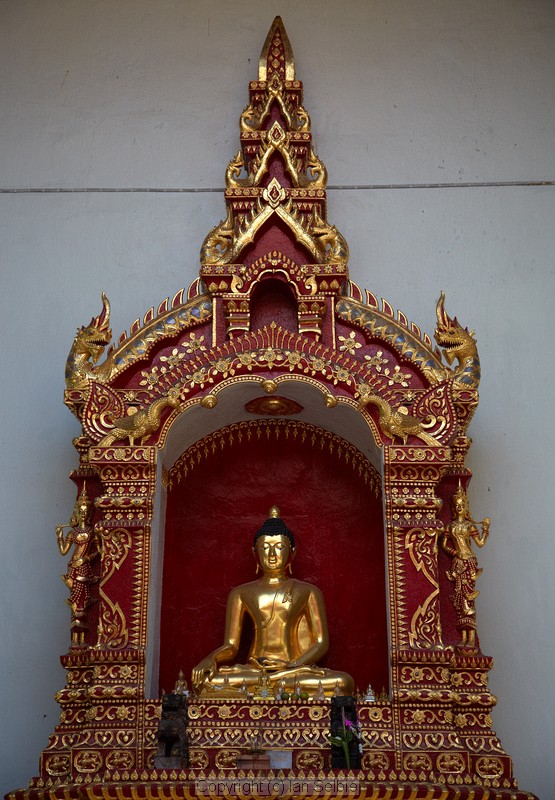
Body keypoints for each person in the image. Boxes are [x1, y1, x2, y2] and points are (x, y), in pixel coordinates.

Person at [192, 507, 354, 696]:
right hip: (255, 670)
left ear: (292, 552)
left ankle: (273, 684)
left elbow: (320, 643)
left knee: (343, 682)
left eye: (279, 547)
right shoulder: (241, 593)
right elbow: (231, 645)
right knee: (205, 682)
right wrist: (211, 658)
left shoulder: (308, 591)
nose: (271, 554)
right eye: (265, 547)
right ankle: (271, 685)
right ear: (255, 553)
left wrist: (291, 665)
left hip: (293, 670)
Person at [441, 482, 490, 649]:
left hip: (469, 563)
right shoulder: (450, 526)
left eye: (462, 505)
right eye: (457, 505)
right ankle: (463, 636)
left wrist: (486, 530)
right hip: (458, 562)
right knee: (460, 598)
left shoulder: (470, 526)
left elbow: (480, 543)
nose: (459, 507)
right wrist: (455, 552)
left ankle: (471, 637)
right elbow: (444, 545)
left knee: (469, 598)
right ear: (454, 508)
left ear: (466, 507)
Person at [56, 485, 98, 646]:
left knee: (82, 601)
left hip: (83, 568)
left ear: (90, 513)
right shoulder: (72, 532)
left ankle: (82, 639)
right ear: (77, 512)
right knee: (74, 601)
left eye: (86, 511)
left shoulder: (92, 532)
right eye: (81, 511)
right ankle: (75, 640)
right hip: (73, 568)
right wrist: (59, 536)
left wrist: (87, 559)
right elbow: (63, 551)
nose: (83, 513)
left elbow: (99, 551)